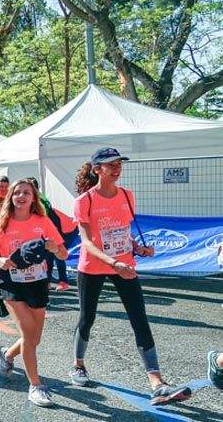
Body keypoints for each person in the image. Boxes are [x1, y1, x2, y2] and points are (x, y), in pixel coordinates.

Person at [69, 148, 191, 405]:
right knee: (87, 317)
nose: (116, 168)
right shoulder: (85, 201)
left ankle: (156, 382)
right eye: (110, 164)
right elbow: (87, 243)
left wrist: (137, 247)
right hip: (93, 266)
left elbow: (123, 232)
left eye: (119, 164)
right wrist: (113, 261)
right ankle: (78, 365)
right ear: (97, 169)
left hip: (124, 264)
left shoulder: (127, 195)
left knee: (139, 318)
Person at [0, 179, 68, 407]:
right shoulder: (0, 224)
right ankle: (36, 386)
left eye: (26, 193)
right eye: (17, 192)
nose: (21, 196)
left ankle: (8, 355)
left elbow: (64, 255)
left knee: (34, 339)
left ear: (33, 197)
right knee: (29, 334)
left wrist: (54, 248)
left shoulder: (43, 222)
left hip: (38, 283)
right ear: (10, 196)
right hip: (12, 284)